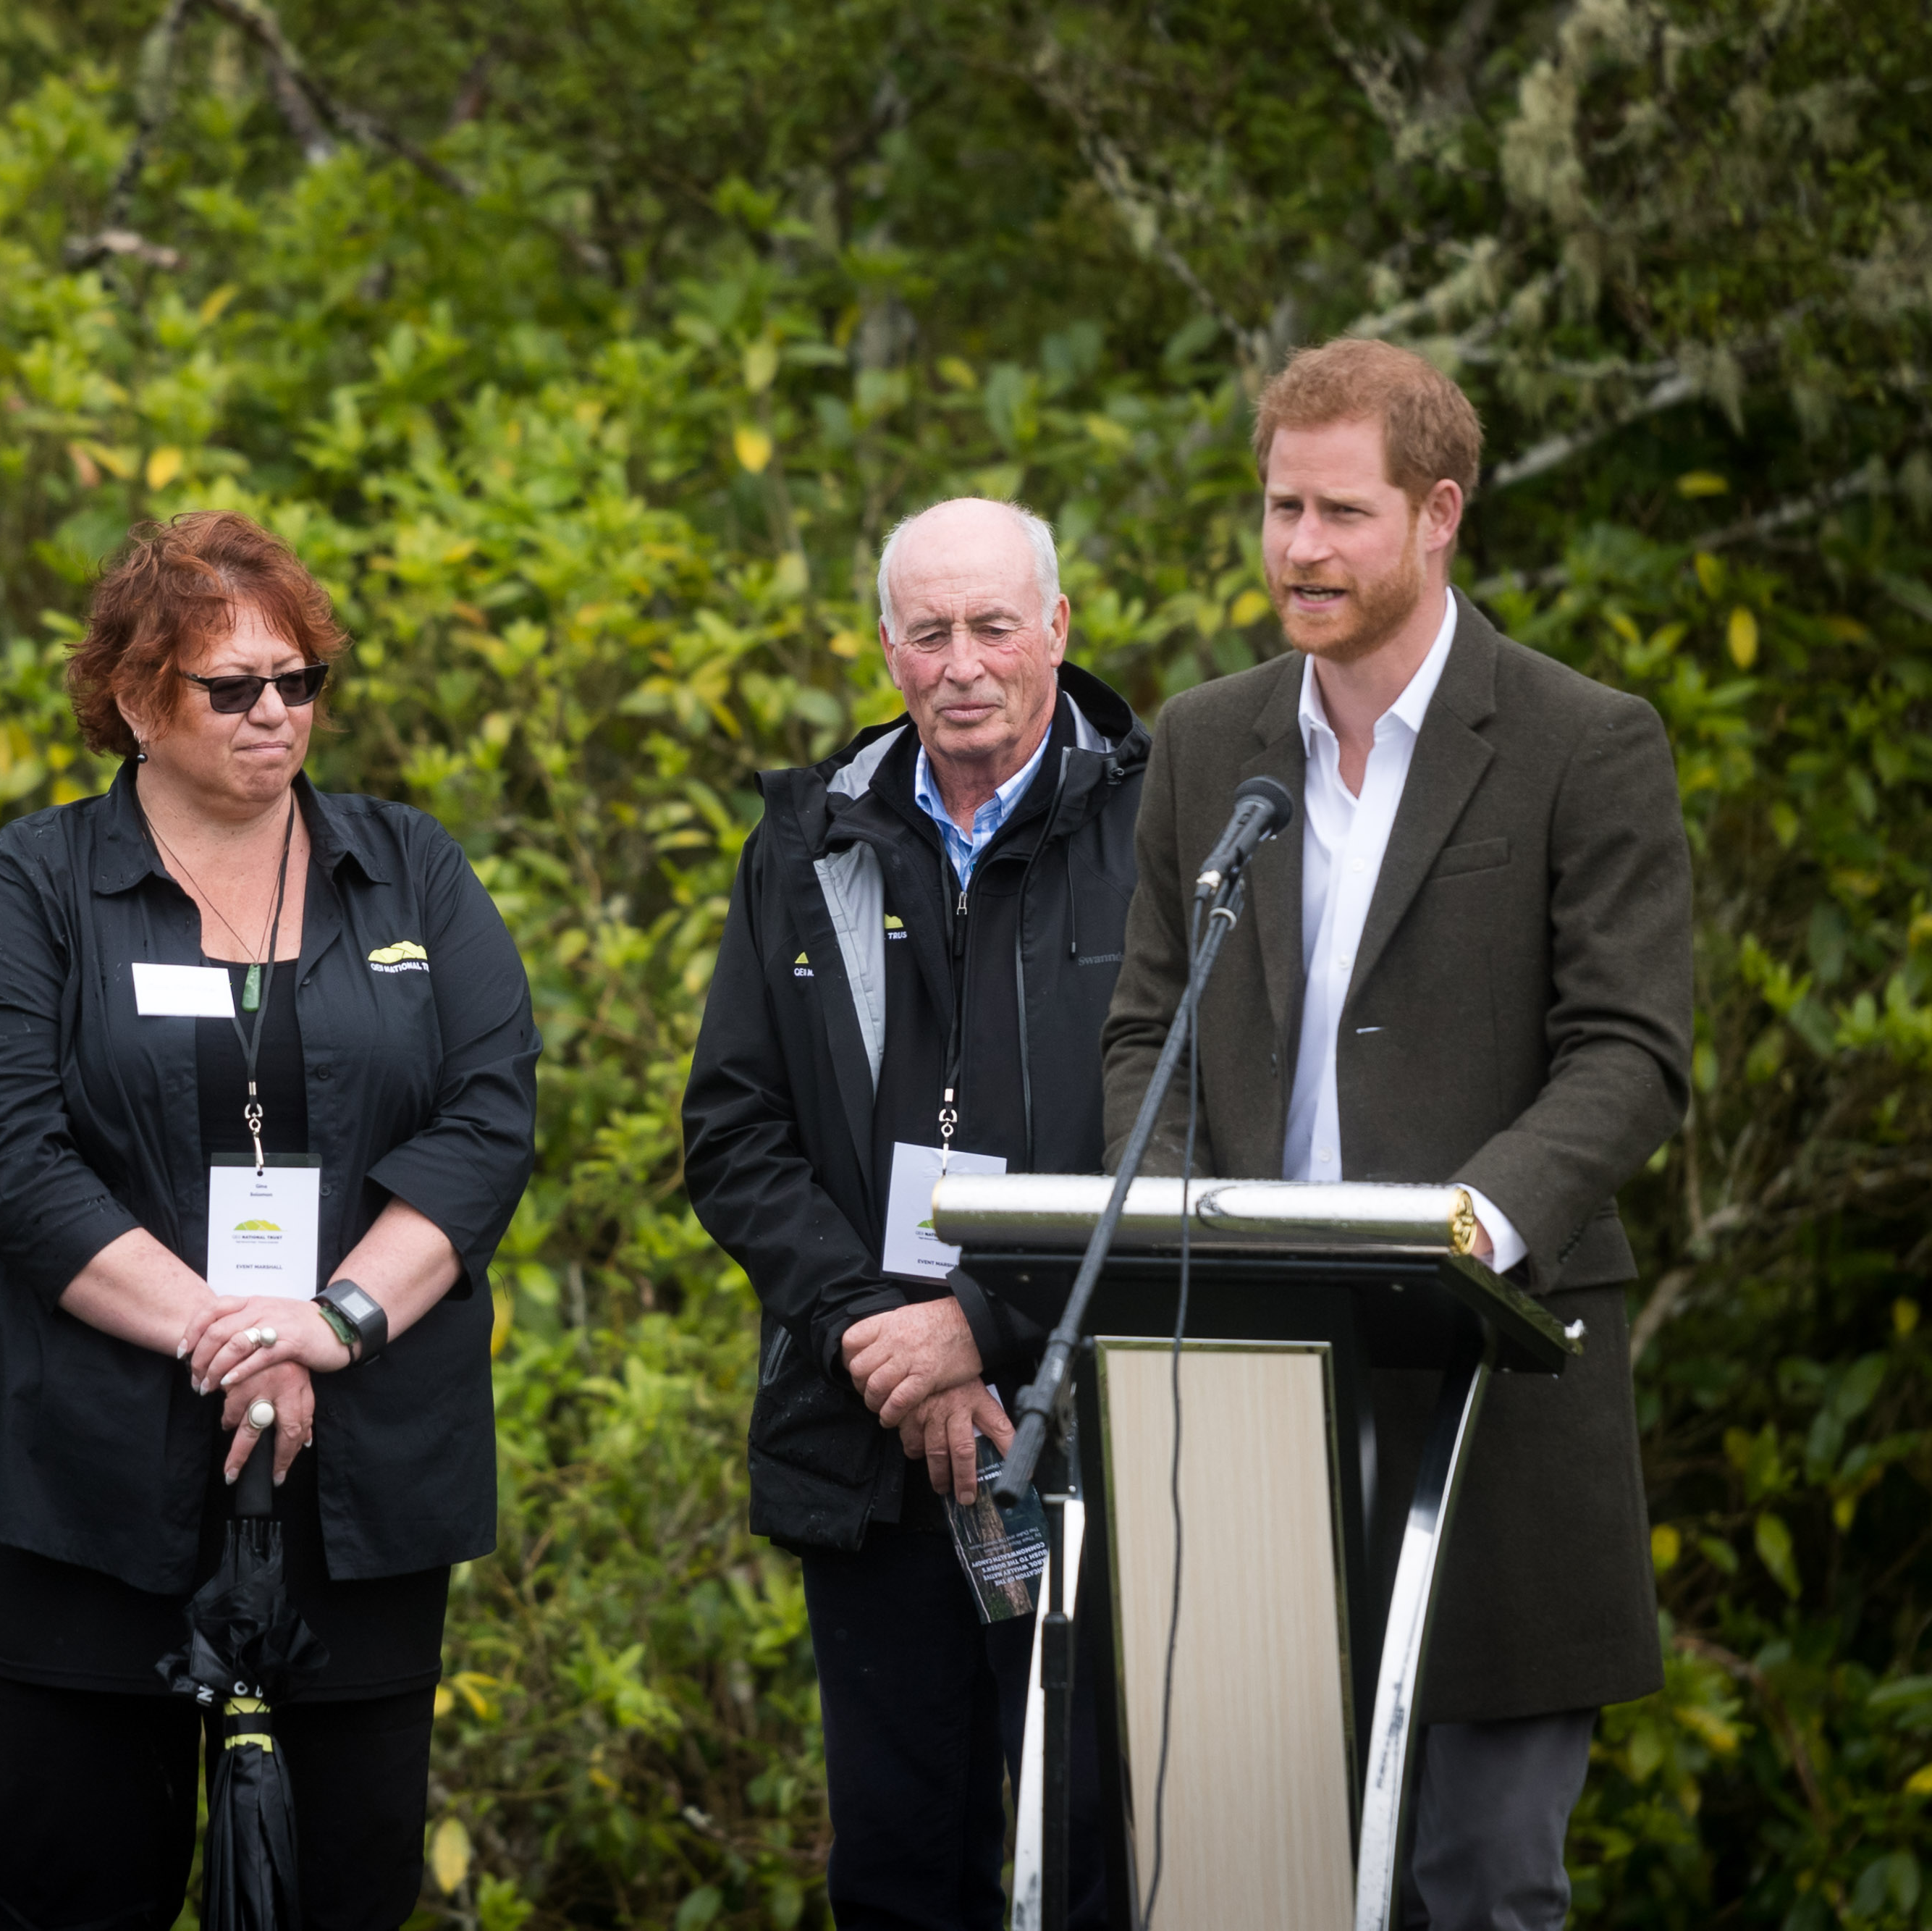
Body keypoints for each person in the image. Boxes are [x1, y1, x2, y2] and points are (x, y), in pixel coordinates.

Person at [1102, 337, 1692, 1930]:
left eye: (1340, 513)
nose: (1299, 547)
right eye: (1280, 507)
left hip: (1496, 1393)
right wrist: (1174, 1226)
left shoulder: (1583, 740)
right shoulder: (1203, 741)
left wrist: (1468, 1227)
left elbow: (1630, 1051)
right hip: (1245, 1394)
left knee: (1476, 1885)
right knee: (1246, 1887)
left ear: (1438, 514)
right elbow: (1147, 1031)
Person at [0, 510, 539, 1930]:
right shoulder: (34, 884)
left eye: (299, 679)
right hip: (77, 1488)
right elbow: (1, 1154)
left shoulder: (409, 870)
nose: (276, 712)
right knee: (75, 1892)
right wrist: (236, 1338)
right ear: (137, 699)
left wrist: (329, 1324)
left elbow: (486, 1123)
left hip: (358, 1485)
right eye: (233, 686)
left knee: (342, 1892)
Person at [683, 498, 1140, 1928]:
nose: (963, 664)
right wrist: (882, 1333)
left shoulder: (1156, 827)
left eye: (993, 626)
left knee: (1095, 1859)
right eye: (929, 631)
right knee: (894, 1866)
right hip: (864, 1422)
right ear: (886, 649)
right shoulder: (805, 840)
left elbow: (1182, 1133)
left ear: (1055, 629)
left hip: (1096, 1427)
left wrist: (979, 1325)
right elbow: (733, 1131)